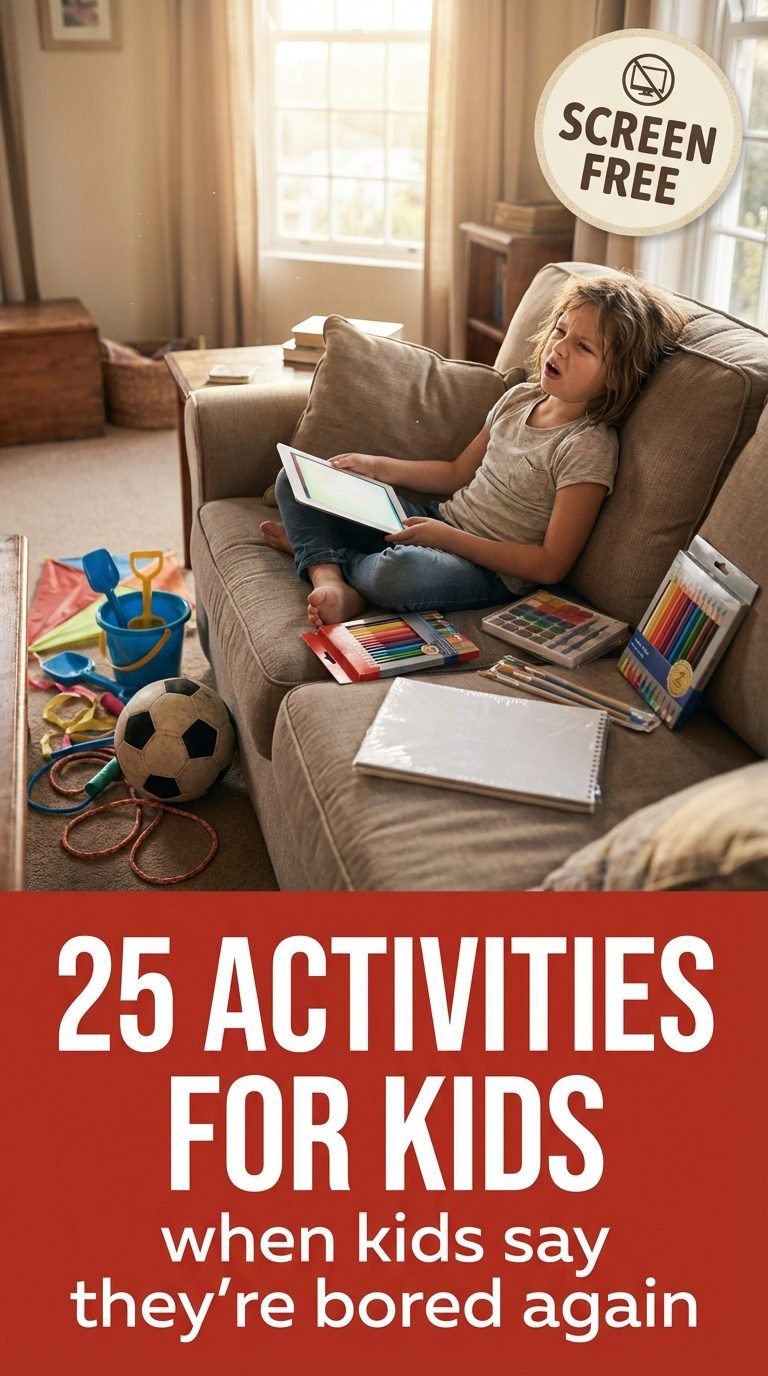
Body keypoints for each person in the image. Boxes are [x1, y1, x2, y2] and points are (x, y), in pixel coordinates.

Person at [261, 274, 686, 628]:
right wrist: (375, 466)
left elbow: (550, 565)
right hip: (436, 521)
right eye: (561, 331)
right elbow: (453, 473)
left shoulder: (588, 446)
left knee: (399, 573)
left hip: (486, 570)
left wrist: (447, 539)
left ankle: (321, 556)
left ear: (618, 376)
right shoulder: (520, 397)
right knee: (296, 477)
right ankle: (327, 572)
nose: (559, 348)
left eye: (584, 347)